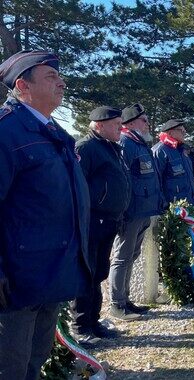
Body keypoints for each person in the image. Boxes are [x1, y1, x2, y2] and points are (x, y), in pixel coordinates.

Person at [0, 51, 91, 379]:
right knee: (10, 365)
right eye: (51, 77)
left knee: (34, 360)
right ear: (23, 86)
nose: (62, 82)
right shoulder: (7, 132)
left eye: (60, 76)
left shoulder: (53, 131)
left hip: (52, 271)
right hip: (17, 280)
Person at [71, 106, 132, 346]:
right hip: (92, 223)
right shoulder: (86, 148)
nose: (121, 127)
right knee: (87, 275)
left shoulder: (111, 147)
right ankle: (81, 326)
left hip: (109, 221)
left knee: (98, 274)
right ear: (99, 125)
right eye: (116, 123)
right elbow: (78, 187)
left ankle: (94, 322)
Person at [109, 104, 163, 329]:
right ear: (130, 123)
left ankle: (126, 300)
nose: (147, 124)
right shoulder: (126, 143)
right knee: (122, 257)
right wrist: (125, 210)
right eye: (144, 120)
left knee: (132, 256)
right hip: (132, 212)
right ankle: (116, 304)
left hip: (144, 210)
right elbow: (123, 180)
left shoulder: (140, 144)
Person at [153, 119, 194, 206]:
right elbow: (155, 182)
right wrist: (164, 206)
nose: (184, 132)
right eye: (181, 130)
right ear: (170, 133)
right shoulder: (160, 151)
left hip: (189, 205)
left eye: (184, 130)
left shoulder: (181, 150)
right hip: (173, 208)